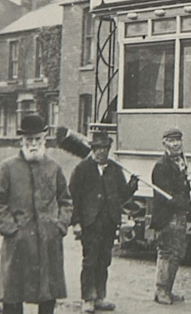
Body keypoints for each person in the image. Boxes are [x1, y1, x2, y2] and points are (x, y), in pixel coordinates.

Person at [0, 114, 73, 314]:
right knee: (13, 297)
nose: (33, 144)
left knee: (47, 298)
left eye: (37, 139)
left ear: (44, 140)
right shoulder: (8, 168)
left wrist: (59, 227)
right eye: (29, 140)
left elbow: (66, 201)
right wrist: (11, 230)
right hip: (18, 243)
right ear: (22, 140)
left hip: (48, 244)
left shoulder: (53, 168)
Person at [68, 130, 139, 313]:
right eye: (97, 148)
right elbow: (73, 198)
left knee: (104, 261)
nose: (101, 152)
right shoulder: (82, 169)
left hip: (109, 223)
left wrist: (132, 185)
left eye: (104, 148)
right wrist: (76, 223)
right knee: (90, 261)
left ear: (108, 149)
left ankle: (100, 297)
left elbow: (121, 195)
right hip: (90, 224)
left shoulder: (114, 169)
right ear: (92, 149)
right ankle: (87, 298)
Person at [149, 127, 191, 305]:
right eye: (172, 141)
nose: (175, 144)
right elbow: (167, 196)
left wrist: (189, 180)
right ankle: (161, 290)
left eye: (178, 141)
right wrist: (187, 202)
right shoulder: (161, 166)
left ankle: (168, 289)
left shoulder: (181, 163)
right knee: (166, 252)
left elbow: (182, 189)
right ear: (164, 143)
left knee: (177, 253)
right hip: (167, 216)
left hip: (179, 215)